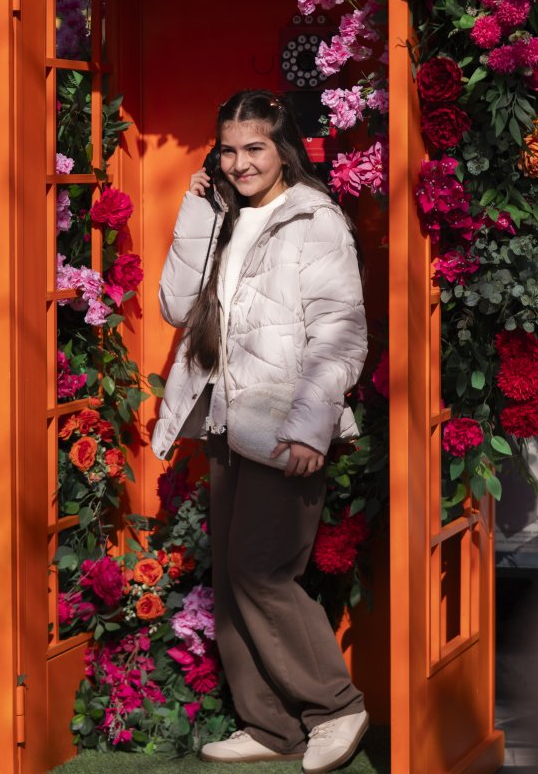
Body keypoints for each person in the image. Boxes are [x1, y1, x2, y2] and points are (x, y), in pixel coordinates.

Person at [152, 90, 369, 772]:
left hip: (285, 424)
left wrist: (312, 428)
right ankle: (270, 725)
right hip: (225, 417)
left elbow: (340, 331)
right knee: (230, 573)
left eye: (254, 148)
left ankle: (336, 706)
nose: (240, 162)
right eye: (228, 149)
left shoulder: (314, 220)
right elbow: (174, 306)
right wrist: (197, 210)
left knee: (263, 570)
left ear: (283, 149)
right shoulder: (222, 215)